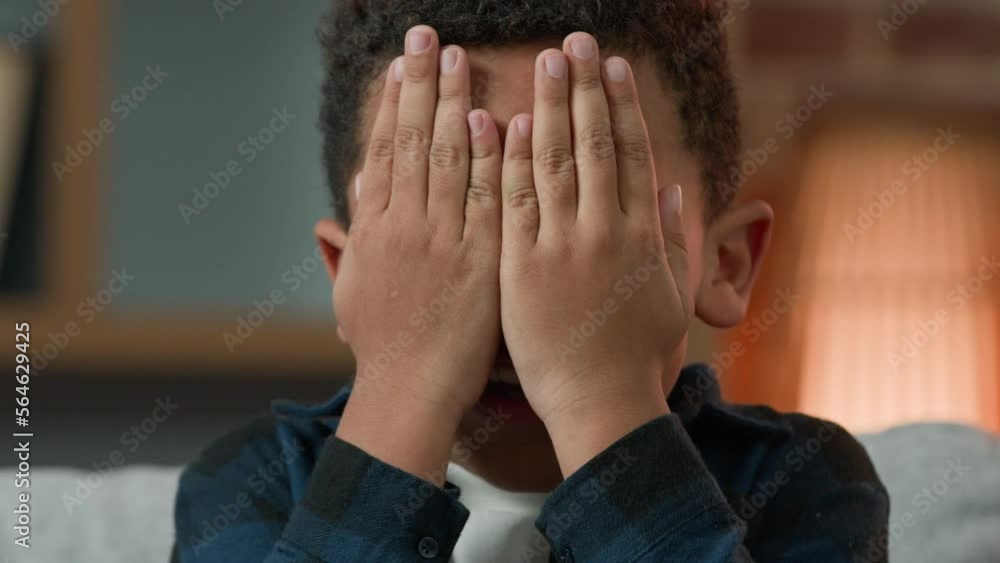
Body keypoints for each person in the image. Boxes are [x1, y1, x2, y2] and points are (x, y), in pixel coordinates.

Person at [173, 2, 888, 561]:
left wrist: (598, 394)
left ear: (727, 264)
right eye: (447, 226)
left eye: (586, 216)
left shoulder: (801, 478)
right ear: (348, 276)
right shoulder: (252, 481)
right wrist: (406, 385)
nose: (523, 302)